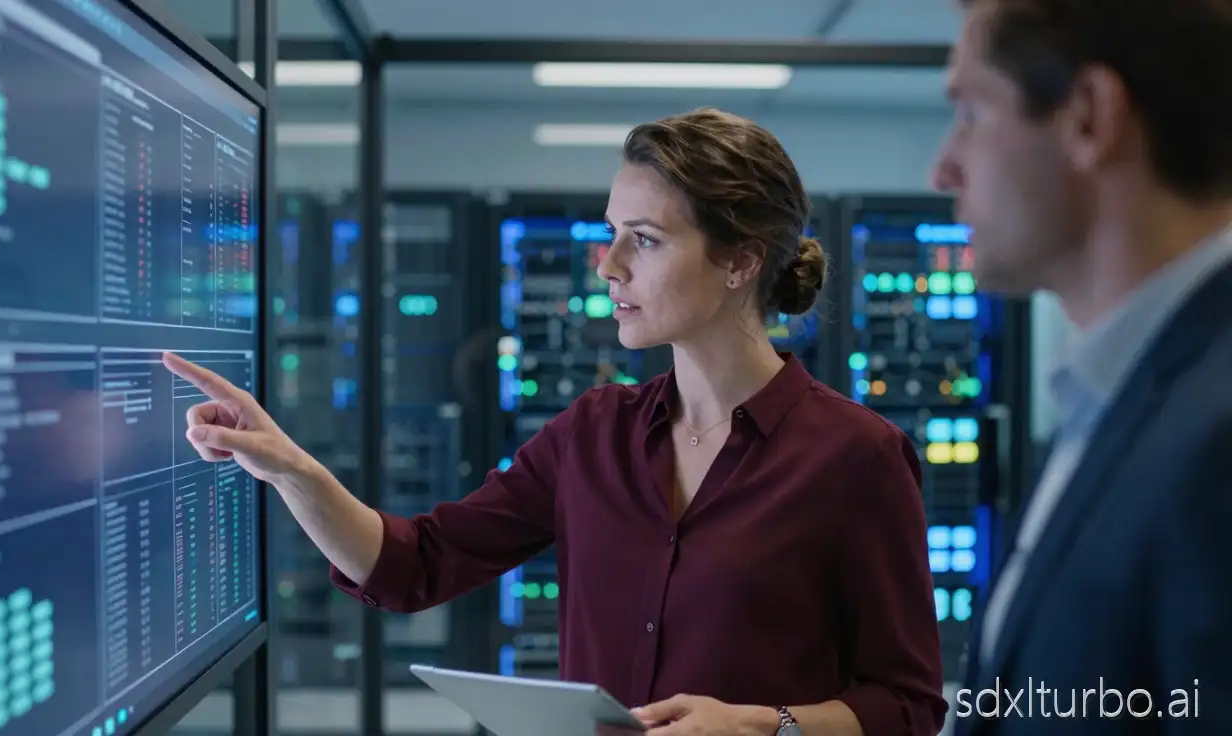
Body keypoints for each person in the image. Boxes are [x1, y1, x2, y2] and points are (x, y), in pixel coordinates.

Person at [164, 107, 947, 736]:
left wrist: (766, 726)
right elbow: (413, 565)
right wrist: (292, 470)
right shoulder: (592, 435)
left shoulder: (856, 457)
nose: (608, 267)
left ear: (741, 261)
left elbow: (907, 705)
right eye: (610, 235)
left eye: (642, 240)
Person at [933, 1, 1232, 734]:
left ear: (1088, 117)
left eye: (971, 112)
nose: (943, 168)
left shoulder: (1216, 430)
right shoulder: (1116, 395)